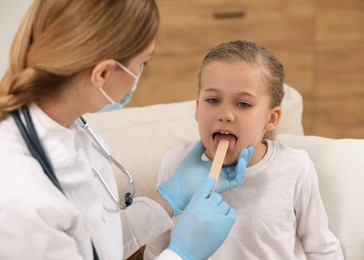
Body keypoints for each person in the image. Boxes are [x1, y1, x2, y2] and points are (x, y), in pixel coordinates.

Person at [0, 1, 255, 259]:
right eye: (142, 62)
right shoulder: (21, 200)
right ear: (103, 74)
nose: (140, 74)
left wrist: (169, 198)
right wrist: (182, 253)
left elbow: (97, 244)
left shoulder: (75, 134)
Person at [145, 40, 345, 259]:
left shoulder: (295, 167)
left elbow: (322, 248)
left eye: (243, 104)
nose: (225, 114)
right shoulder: (175, 165)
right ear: (197, 108)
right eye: (213, 100)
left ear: (272, 118)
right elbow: (155, 249)